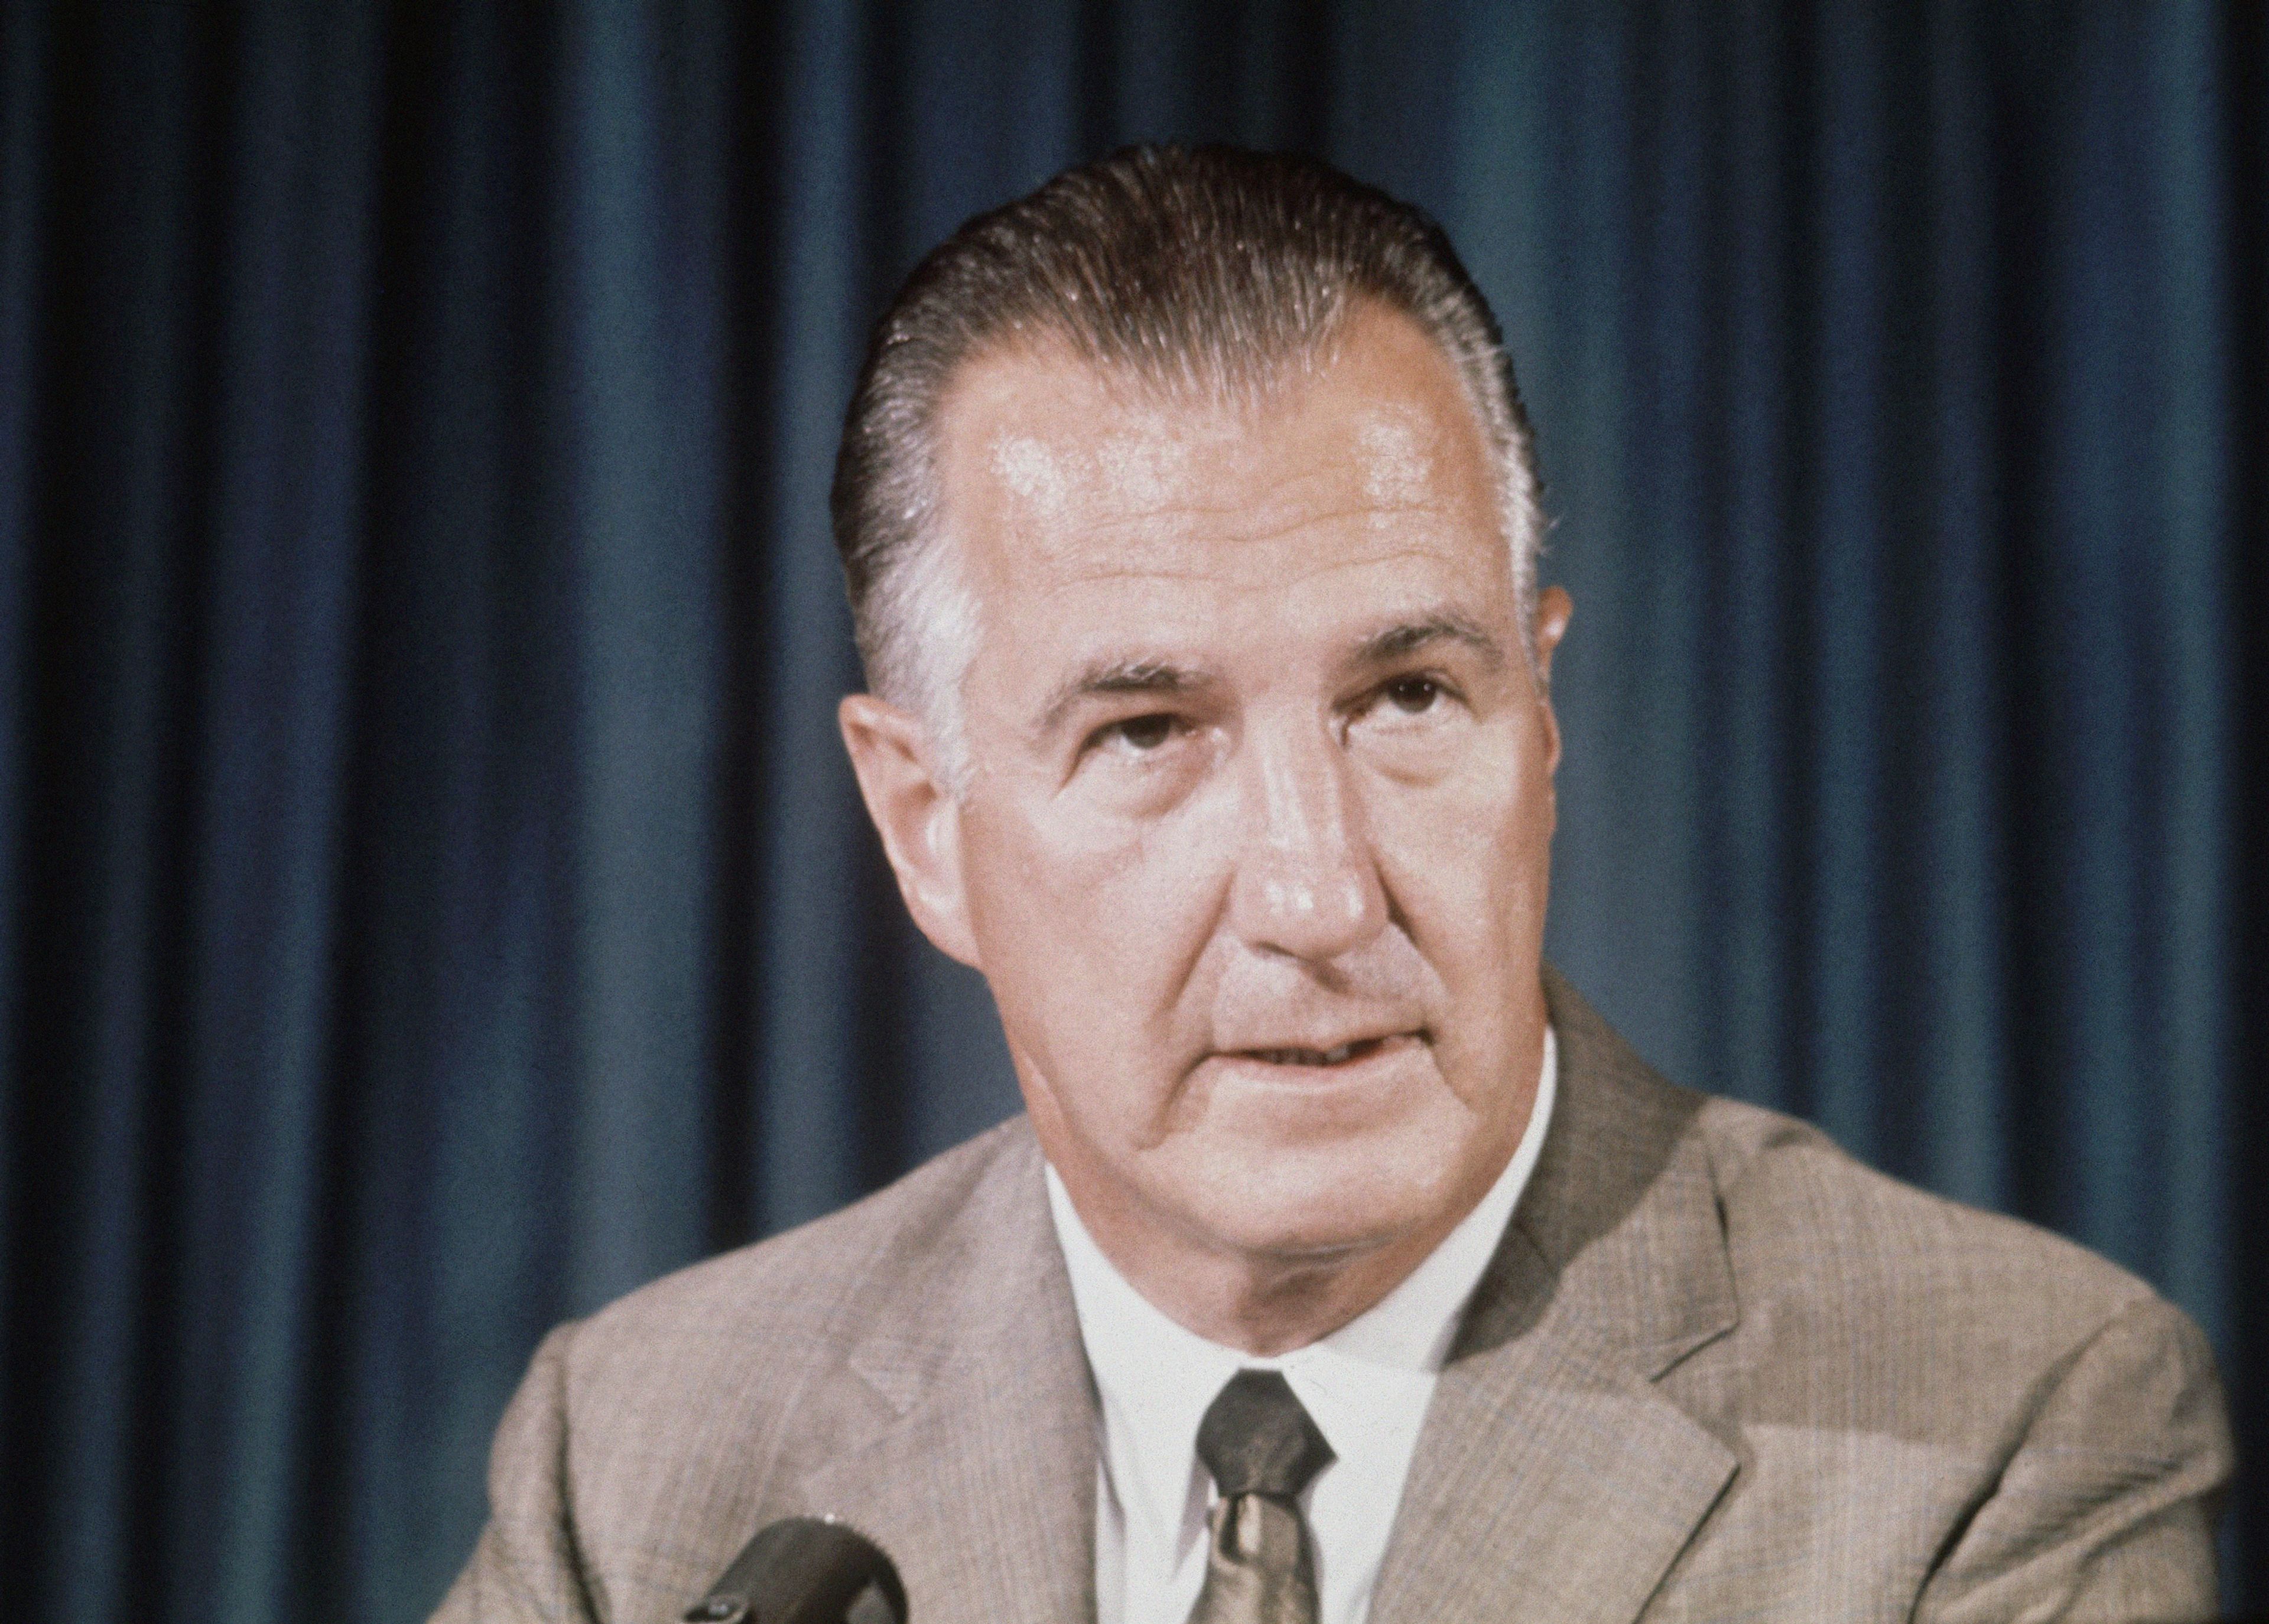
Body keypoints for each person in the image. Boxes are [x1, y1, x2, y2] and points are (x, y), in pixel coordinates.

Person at [434, 147, 2230, 1624]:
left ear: (1542, 723)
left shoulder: (1998, 1425)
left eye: (1409, 699)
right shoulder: (648, 1462)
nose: (1315, 892)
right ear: (926, 825)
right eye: (1147, 733)